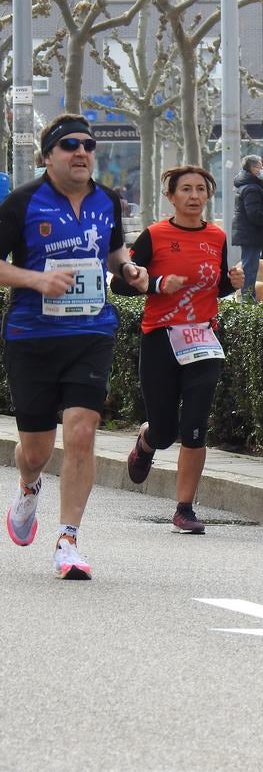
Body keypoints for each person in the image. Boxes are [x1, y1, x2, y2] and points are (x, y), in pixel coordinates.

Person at [0, 113, 149, 579]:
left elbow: (113, 250)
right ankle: (28, 486)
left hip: (91, 331)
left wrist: (128, 270)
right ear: (48, 157)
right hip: (32, 336)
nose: (82, 152)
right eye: (70, 145)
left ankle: (68, 541)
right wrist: (36, 279)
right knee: (37, 451)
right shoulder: (22, 203)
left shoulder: (107, 199)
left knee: (82, 433)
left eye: (88, 145)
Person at [113, 166, 243, 534]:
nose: (194, 195)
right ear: (171, 196)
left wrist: (231, 284)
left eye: (201, 189)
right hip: (160, 338)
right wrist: (155, 283)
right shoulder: (155, 235)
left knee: (196, 423)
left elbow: (212, 288)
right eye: (185, 189)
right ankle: (148, 440)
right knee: (167, 430)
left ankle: (184, 509)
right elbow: (119, 285)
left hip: (202, 339)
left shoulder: (217, 236)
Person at [232, 155, 263, 303]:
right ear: (252, 169)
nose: (262, 170)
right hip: (251, 233)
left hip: (252, 233)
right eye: (259, 167)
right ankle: (247, 302)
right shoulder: (251, 188)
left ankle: (248, 300)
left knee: (250, 267)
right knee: (250, 269)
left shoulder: (253, 185)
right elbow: (254, 213)